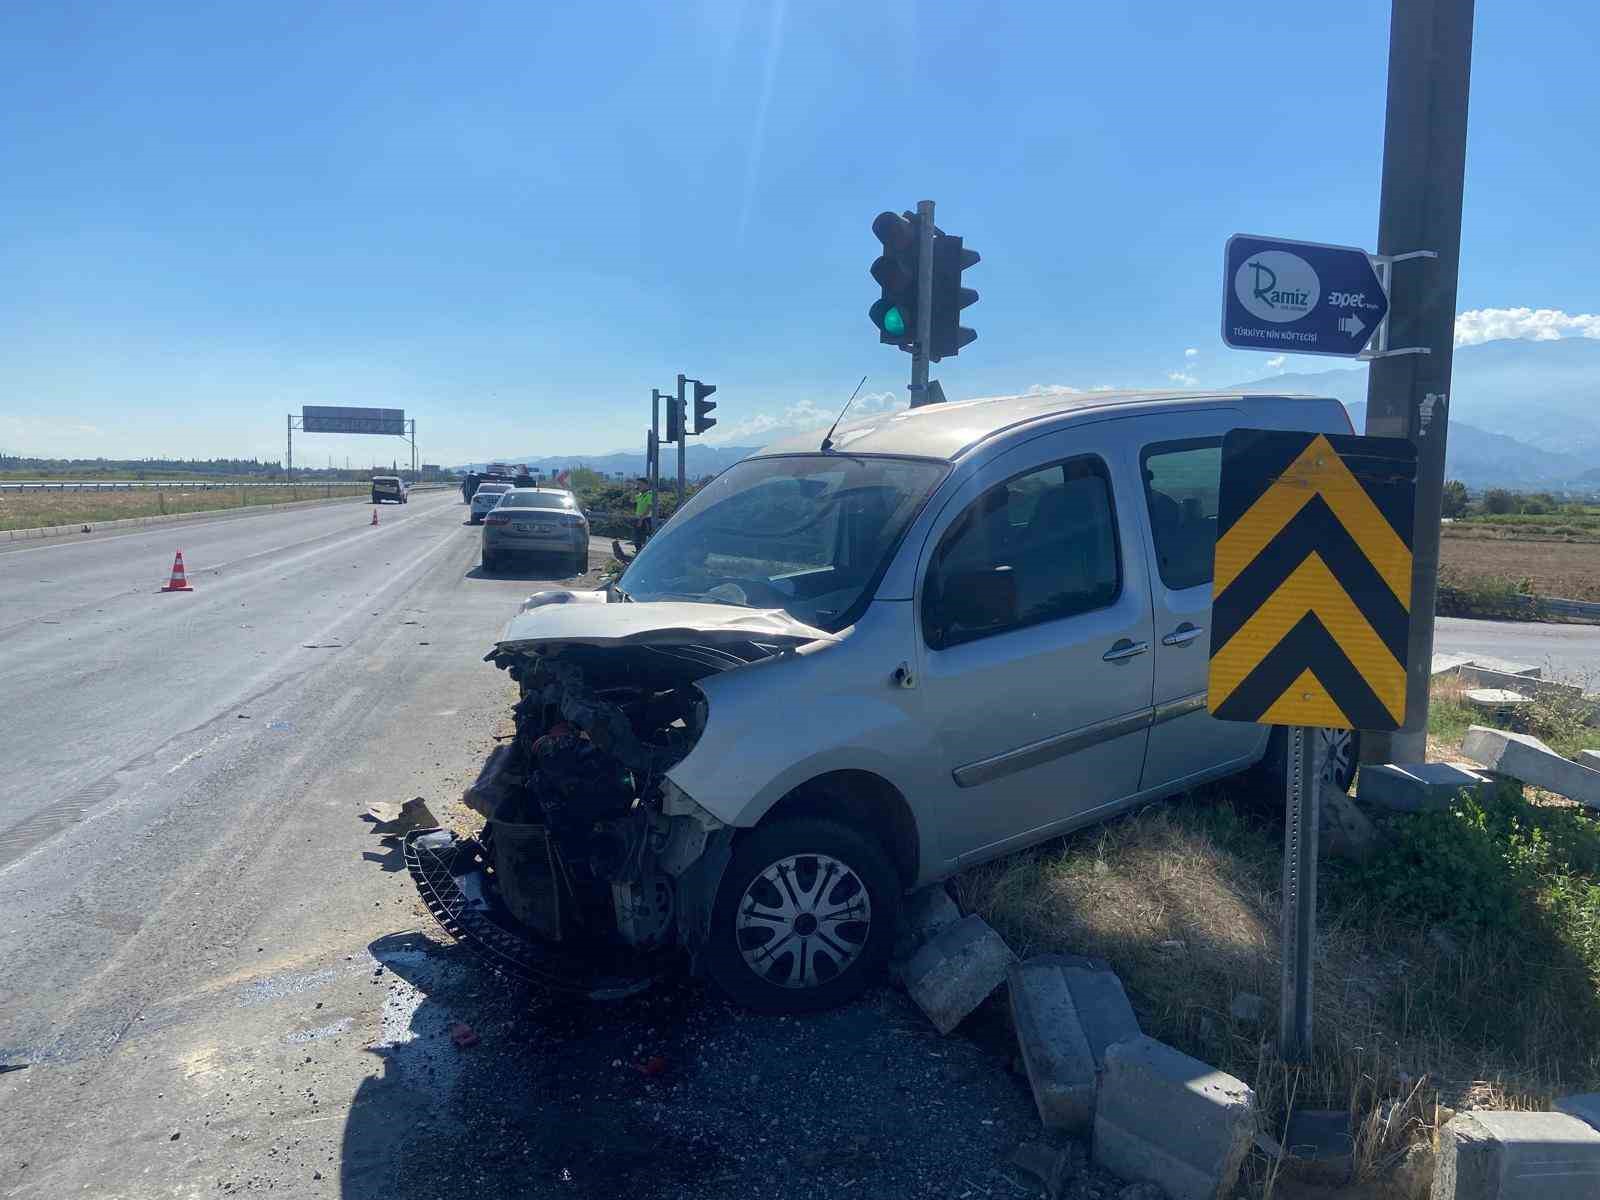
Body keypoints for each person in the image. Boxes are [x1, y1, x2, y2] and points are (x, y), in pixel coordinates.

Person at [632, 478, 654, 551]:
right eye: (637, 484)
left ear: (646, 485)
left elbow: (649, 509)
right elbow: (632, 500)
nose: (638, 486)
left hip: (645, 519)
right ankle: (638, 551)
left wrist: (641, 519)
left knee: (644, 538)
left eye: (640, 484)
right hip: (638, 518)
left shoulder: (650, 494)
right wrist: (634, 492)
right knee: (637, 538)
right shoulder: (640, 494)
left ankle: (644, 552)